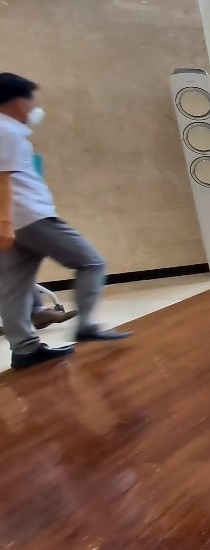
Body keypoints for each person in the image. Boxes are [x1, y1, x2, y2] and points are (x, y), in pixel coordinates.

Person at [0, 73, 131, 370]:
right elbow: (2, 179)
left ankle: (25, 349)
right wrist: (5, 222)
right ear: (18, 101)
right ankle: (86, 326)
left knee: (14, 288)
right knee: (91, 263)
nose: (33, 107)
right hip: (31, 217)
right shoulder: (6, 131)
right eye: (30, 100)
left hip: (17, 221)